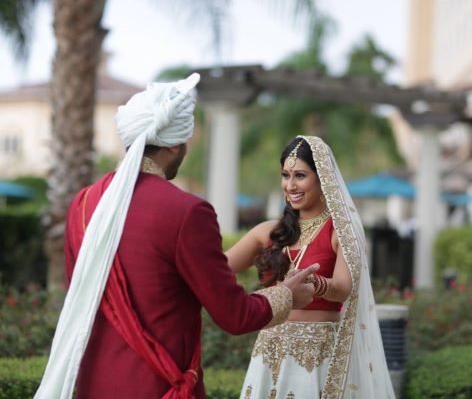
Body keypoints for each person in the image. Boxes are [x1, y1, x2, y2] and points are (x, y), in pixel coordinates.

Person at [34, 74, 317, 399]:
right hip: (157, 386)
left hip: (92, 385)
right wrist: (287, 295)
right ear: (173, 144)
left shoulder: (82, 204)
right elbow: (234, 315)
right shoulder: (187, 211)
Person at [227, 136, 396, 398]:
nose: (290, 185)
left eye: (300, 175)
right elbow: (216, 268)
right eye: (285, 175)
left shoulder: (341, 232)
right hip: (269, 353)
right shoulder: (267, 232)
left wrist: (315, 284)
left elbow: (343, 289)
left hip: (317, 359)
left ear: (323, 178)